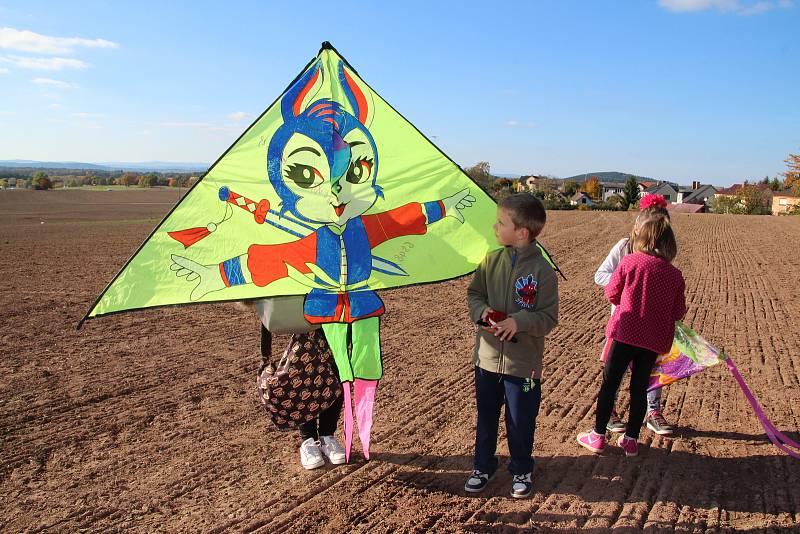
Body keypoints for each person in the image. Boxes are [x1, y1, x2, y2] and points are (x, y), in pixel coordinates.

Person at [464, 194, 559, 499]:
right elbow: (474, 294)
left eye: (501, 222)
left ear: (522, 232)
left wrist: (519, 321)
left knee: (520, 421)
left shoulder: (543, 272)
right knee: (486, 416)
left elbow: (548, 317)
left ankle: (521, 468)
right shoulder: (491, 260)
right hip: (487, 359)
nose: (495, 226)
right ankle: (483, 465)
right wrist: (483, 312)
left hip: (523, 364)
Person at [578, 215, 686, 457]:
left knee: (610, 385)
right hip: (653, 341)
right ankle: (631, 440)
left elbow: (613, 294)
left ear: (641, 237)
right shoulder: (675, 275)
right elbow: (678, 312)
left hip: (625, 333)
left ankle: (597, 436)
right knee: (639, 388)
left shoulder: (630, 262)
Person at [593, 194, 675, 436]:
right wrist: (629, 285)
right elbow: (602, 276)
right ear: (638, 228)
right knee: (614, 373)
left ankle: (653, 412)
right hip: (624, 323)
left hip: (651, 325)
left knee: (650, 371)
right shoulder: (623, 247)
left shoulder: (662, 255)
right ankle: (611, 413)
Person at [250, 303, 347, 470]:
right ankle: (309, 440)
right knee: (301, 377)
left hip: (332, 306)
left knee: (336, 374)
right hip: (298, 309)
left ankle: (327, 436)